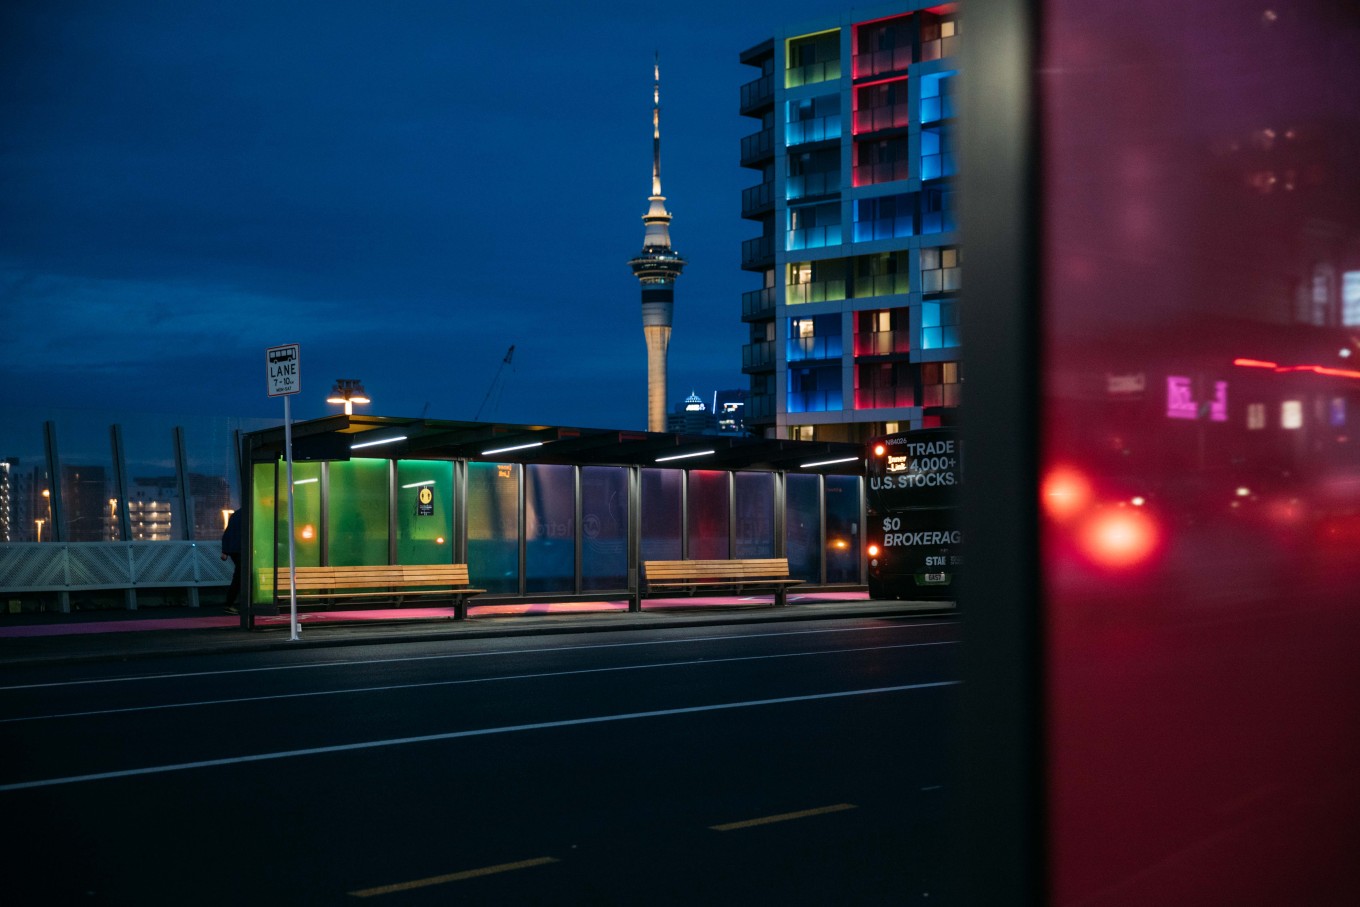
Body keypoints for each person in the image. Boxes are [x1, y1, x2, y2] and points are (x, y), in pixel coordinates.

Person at [220, 509, 243, 613]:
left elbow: (228, 532)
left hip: (234, 549)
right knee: (240, 577)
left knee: (239, 576)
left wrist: (225, 550)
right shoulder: (253, 513)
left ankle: (229, 603)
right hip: (243, 549)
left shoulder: (237, 514)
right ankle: (229, 603)